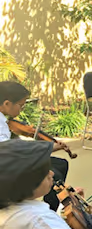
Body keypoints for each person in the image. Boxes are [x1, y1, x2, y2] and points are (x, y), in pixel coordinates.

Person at [0, 81, 68, 211]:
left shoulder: (3, 120)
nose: (21, 109)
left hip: (7, 163)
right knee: (55, 171)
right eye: (21, 106)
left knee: (59, 164)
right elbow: (7, 152)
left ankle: (51, 206)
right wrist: (47, 147)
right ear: (7, 104)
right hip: (6, 169)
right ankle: (50, 210)